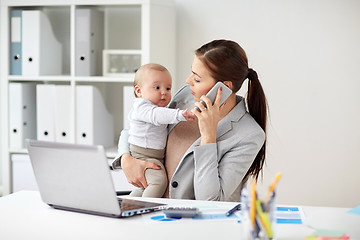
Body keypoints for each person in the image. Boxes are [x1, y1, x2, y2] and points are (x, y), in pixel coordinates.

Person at [113, 39, 268, 202]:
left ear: (223, 87)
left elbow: (210, 200)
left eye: (197, 79)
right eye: (192, 73)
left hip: (195, 223)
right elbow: (137, 124)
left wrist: (209, 136)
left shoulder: (249, 135)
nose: (188, 81)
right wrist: (126, 158)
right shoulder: (186, 97)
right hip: (153, 212)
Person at [113, 63, 194, 198]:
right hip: (142, 154)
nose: (164, 92)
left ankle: (130, 203)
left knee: (145, 186)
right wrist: (180, 115)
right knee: (158, 181)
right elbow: (156, 115)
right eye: (157, 87)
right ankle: (145, 207)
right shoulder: (142, 107)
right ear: (139, 91)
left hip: (152, 155)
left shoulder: (159, 107)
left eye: (168, 88)